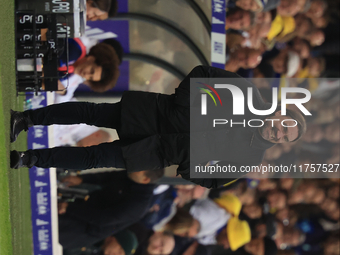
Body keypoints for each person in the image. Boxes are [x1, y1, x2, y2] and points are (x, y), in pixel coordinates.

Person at [10, 66, 307, 189]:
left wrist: (189, 166)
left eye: (283, 136)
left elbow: (215, 182)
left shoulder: (251, 158)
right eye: (284, 125)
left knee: (92, 159)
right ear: (280, 113)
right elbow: (203, 73)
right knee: (90, 112)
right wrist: (180, 102)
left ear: (282, 142)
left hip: (158, 153)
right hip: (155, 114)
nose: (277, 132)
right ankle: (26, 119)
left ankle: (29, 159)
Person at [57, 169, 164, 249]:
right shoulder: (132, 176)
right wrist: (82, 179)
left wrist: (70, 208)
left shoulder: (139, 204)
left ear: (145, 179)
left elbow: (102, 219)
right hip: (84, 208)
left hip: (82, 229)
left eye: (138, 169)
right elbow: (108, 177)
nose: (132, 166)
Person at [63, 229, 138, 255]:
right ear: (115, 239)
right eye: (119, 251)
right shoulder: (94, 231)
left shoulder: (97, 249)